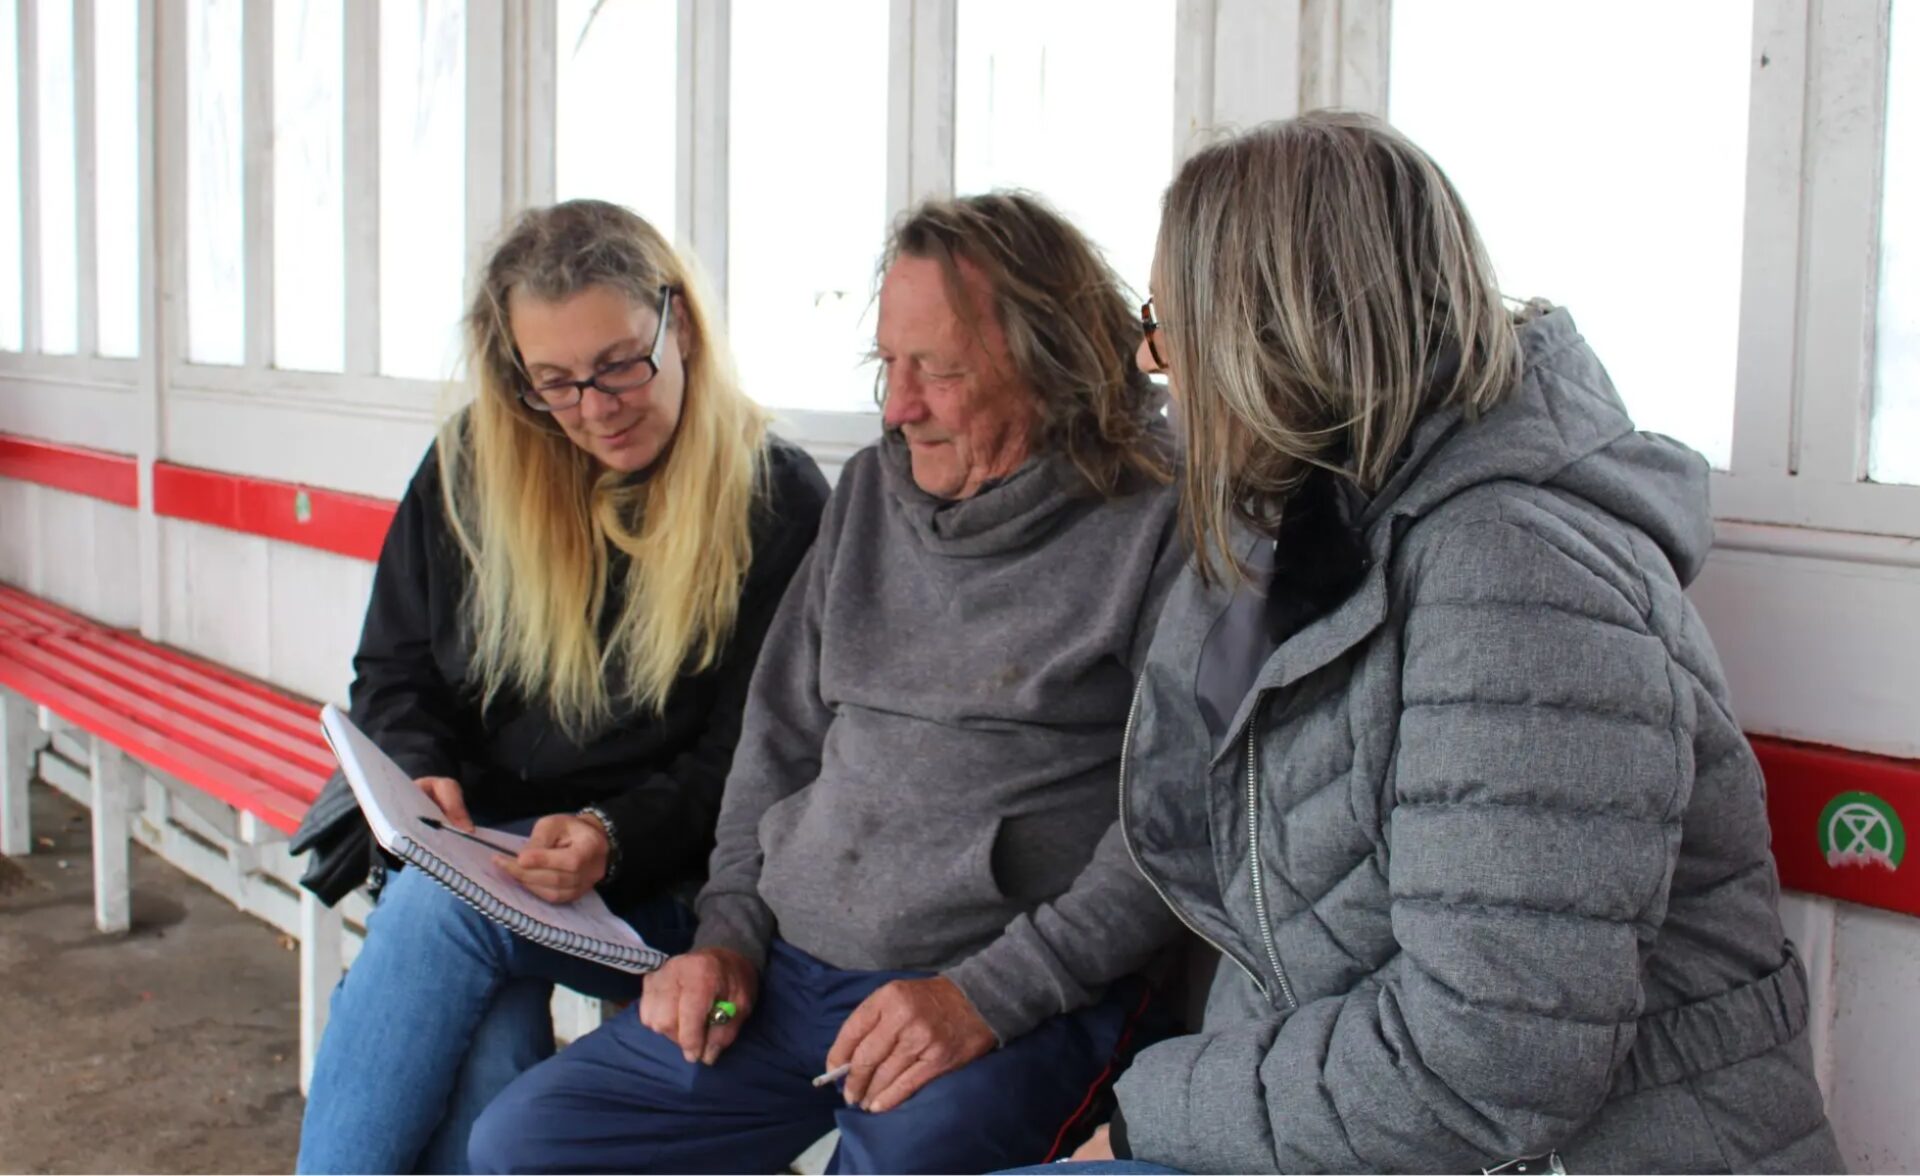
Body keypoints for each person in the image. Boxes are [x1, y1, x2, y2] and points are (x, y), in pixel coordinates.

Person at [1049, 113, 1844, 1174]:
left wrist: (1162, 1113)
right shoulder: (1306, 534)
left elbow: (1488, 1058)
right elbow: (1289, 950)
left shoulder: (1513, 579)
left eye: (1164, 322)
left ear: (1266, 336)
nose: (1153, 363)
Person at [468, 193, 1186, 1175]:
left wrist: (991, 996)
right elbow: (776, 749)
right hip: (786, 969)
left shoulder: (1164, 518)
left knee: (900, 1156)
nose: (897, 407)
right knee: (530, 1142)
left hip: (1005, 988)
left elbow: (1173, 829)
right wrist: (727, 937)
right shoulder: (868, 495)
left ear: (1052, 365)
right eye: (889, 364)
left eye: (938, 371)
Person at [296, 199, 830, 1174]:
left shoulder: (775, 498)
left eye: (620, 363)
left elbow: (757, 762)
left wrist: (611, 835)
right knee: (486, 1022)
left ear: (681, 323)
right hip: (489, 858)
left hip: (672, 887)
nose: (596, 407)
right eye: (555, 383)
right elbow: (396, 670)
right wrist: (419, 773)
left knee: (440, 916)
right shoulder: (475, 460)